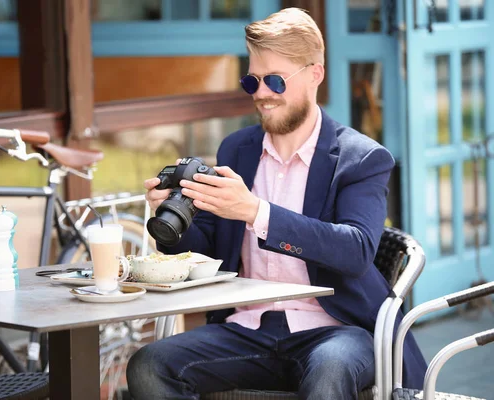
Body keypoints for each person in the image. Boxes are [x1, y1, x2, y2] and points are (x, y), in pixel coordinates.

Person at [127, 7, 427, 400]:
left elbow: (355, 250)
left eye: (274, 80)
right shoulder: (236, 148)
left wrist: (256, 212)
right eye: (252, 80)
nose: (261, 93)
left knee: (330, 371)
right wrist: (172, 222)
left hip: (336, 331)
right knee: (149, 365)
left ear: (315, 74)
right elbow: (207, 254)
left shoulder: (361, 158)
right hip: (245, 329)